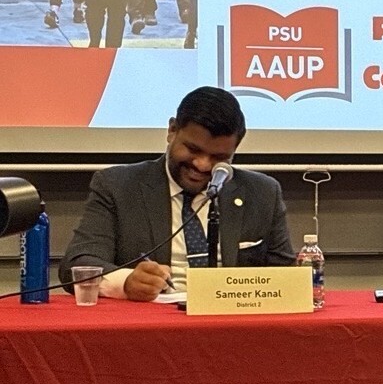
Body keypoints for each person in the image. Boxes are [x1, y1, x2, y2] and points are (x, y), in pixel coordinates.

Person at [60, 86, 294, 301]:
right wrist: (126, 282)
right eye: (193, 149)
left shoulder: (263, 192)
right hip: (152, 327)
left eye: (219, 157)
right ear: (172, 130)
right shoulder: (117, 186)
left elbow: (287, 279)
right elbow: (78, 264)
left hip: (234, 326)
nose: (202, 165)